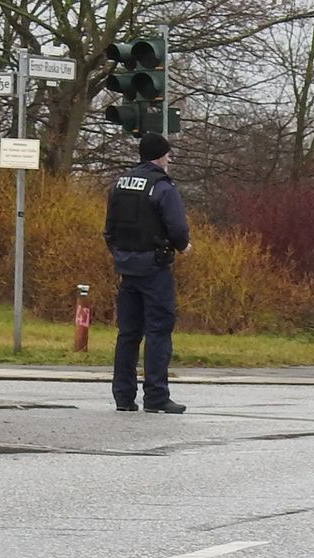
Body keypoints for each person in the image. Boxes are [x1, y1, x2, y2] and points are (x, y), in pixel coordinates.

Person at [104, 132, 192, 414]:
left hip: (126, 268)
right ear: (160, 156)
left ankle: (123, 397)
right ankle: (156, 396)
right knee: (158, 331)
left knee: (128, 333)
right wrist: (183, 246)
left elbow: (109, 230)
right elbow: (177, 227)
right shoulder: (163, 187)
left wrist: (121, 255)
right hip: (154, 268)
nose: (169, 160)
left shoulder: (120, 184)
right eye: (168, 155)